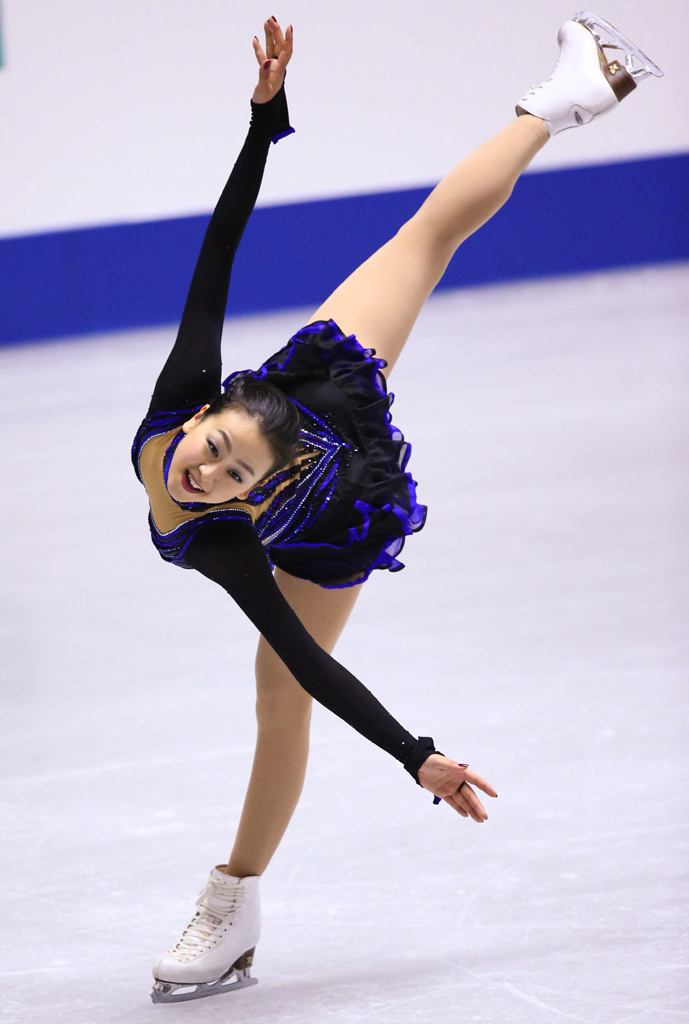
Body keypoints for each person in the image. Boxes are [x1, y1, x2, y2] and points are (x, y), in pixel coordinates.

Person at [136, 12, 662, 1004]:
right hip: (301, 396)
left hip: (331, 490)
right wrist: (262, 123)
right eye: (210, 452)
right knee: (423, 234)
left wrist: (414, 755)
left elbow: (308, 667)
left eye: (230, 477)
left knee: (276, 689)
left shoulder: (233, 538)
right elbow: (221, 244)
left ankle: (232, 900)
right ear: (202, 411)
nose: (201, 473)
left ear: (255, 498)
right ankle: (557, 103)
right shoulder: (183, 402)